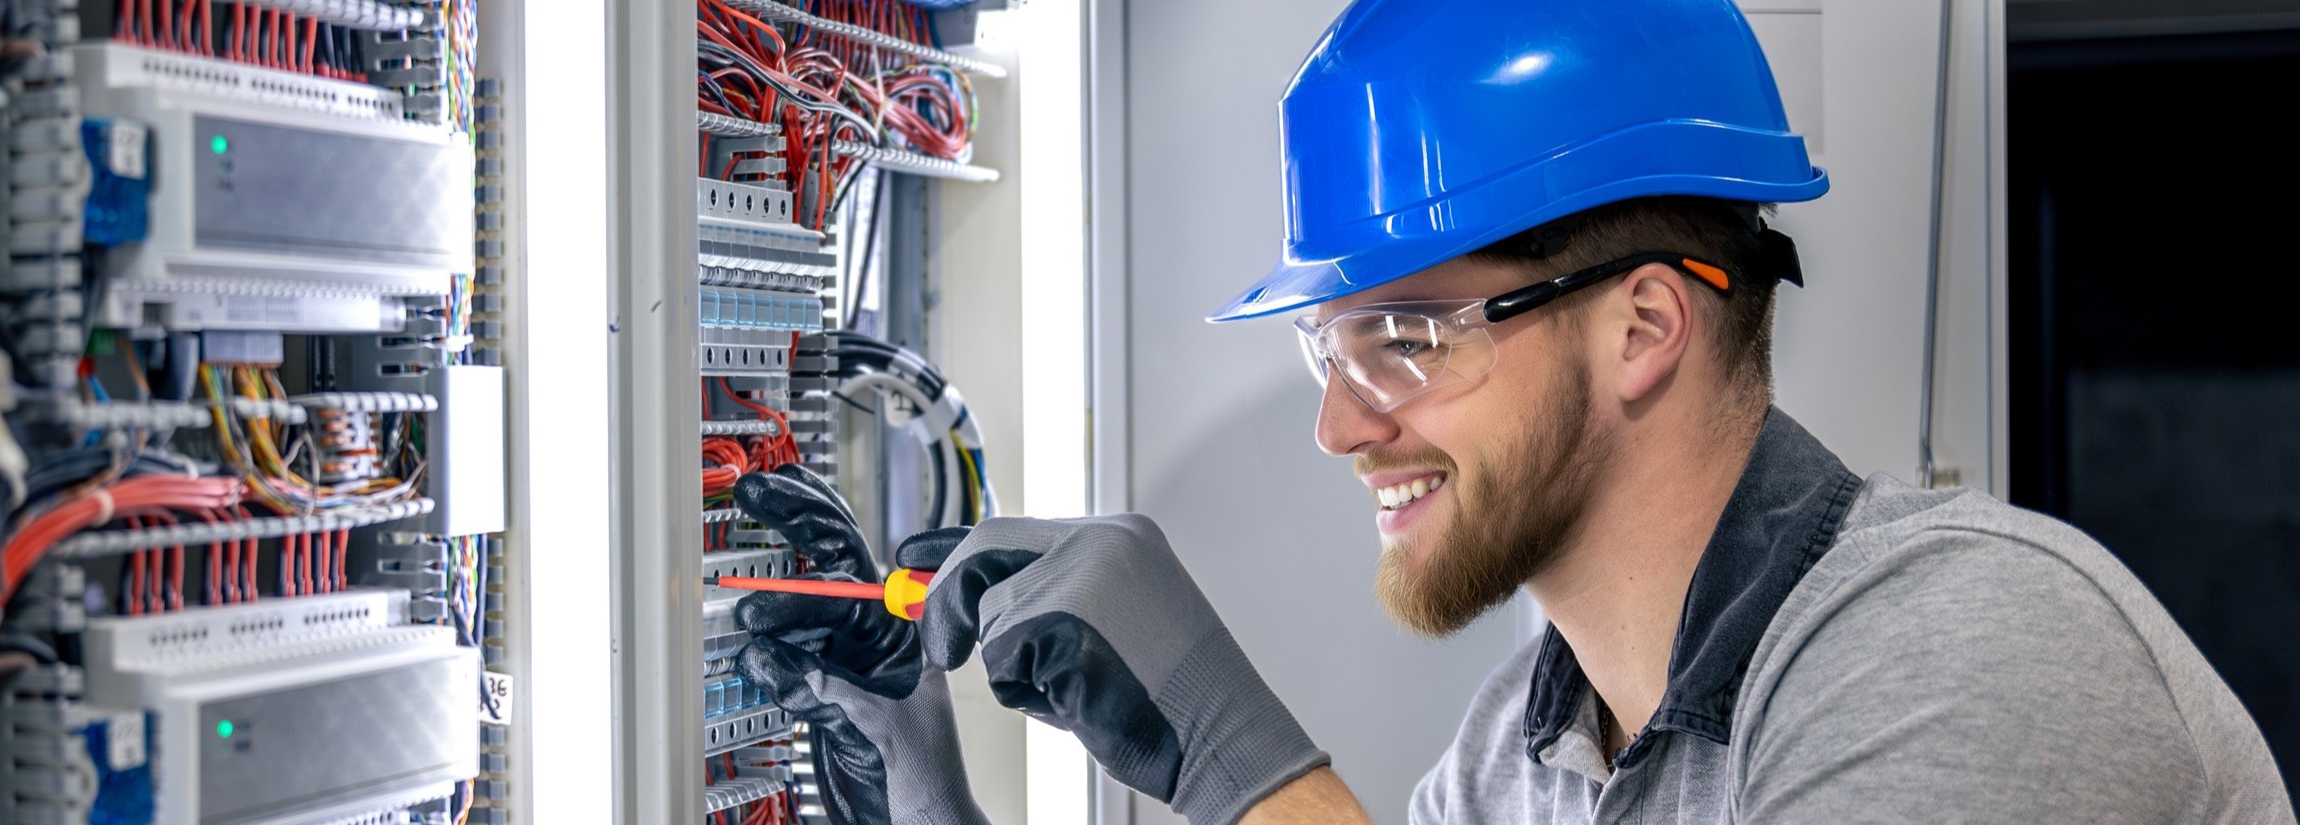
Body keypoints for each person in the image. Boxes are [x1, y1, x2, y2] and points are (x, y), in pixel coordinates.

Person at [729, 0, 2298, 822]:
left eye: (1403, 334)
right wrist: (923, 786)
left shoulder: (1967, 656)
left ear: (1642, 325)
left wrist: (1248, 771)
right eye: (1325, 348)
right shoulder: (1527, 761)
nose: (1343, 426)